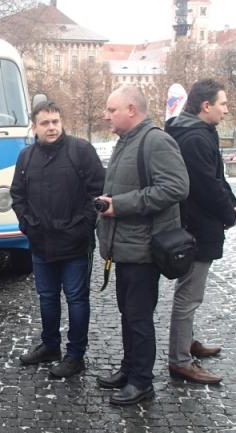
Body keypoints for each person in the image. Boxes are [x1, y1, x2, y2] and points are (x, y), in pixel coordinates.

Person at [95, 86, 189, 405]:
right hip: (126, 247)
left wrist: (120, 205)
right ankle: (129, 368)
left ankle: (141, 381)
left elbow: (176, 187)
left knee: (138, 317)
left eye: (111, 109)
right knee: (128, 314)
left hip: (144, 250)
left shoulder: (156, 141)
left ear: (131, 109)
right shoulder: (128, 140)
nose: (106, 115)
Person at [10, 101, 105, 378]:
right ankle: (50, 345)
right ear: (34, 126)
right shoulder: (26, 157)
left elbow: (98, 192)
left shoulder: (81, 150)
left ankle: (76, 355)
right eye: (45, 123)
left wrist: (83, 226)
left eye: (55, 121)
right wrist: (27, 224)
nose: (51, 127)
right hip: (41, 242)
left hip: (75, 243)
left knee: (76, 299)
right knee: (47, 297)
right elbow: (17, 195)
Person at [164, 79, 236, 384]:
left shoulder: (197, 132)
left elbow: (216, 178)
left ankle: (187, 343)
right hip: (195, 228)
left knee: (191, 291)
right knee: (189, 295)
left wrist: (232, 203)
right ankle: (180, 359)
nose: (226, 109)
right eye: (222, 103)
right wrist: (228, 212)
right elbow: (206, 186)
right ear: (205, 106)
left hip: (197, 226)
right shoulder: (194, 138)